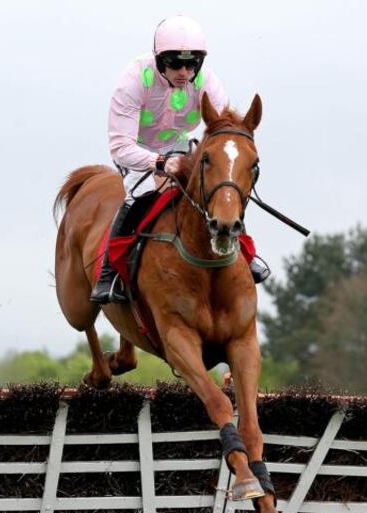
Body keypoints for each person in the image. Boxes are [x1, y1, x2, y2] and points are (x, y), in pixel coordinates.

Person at [92, 15, 270, 304]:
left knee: (219, 188)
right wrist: (160, 163)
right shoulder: (135, 79)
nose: (184, 72)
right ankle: (108, 273)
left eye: (192, 64)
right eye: (175, 63)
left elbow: (220, 129)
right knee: (143, 193)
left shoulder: (207, 81)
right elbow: (120, 146)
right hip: (136, 148)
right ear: (160, 59)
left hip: (181, 145)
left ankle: (246, 254)